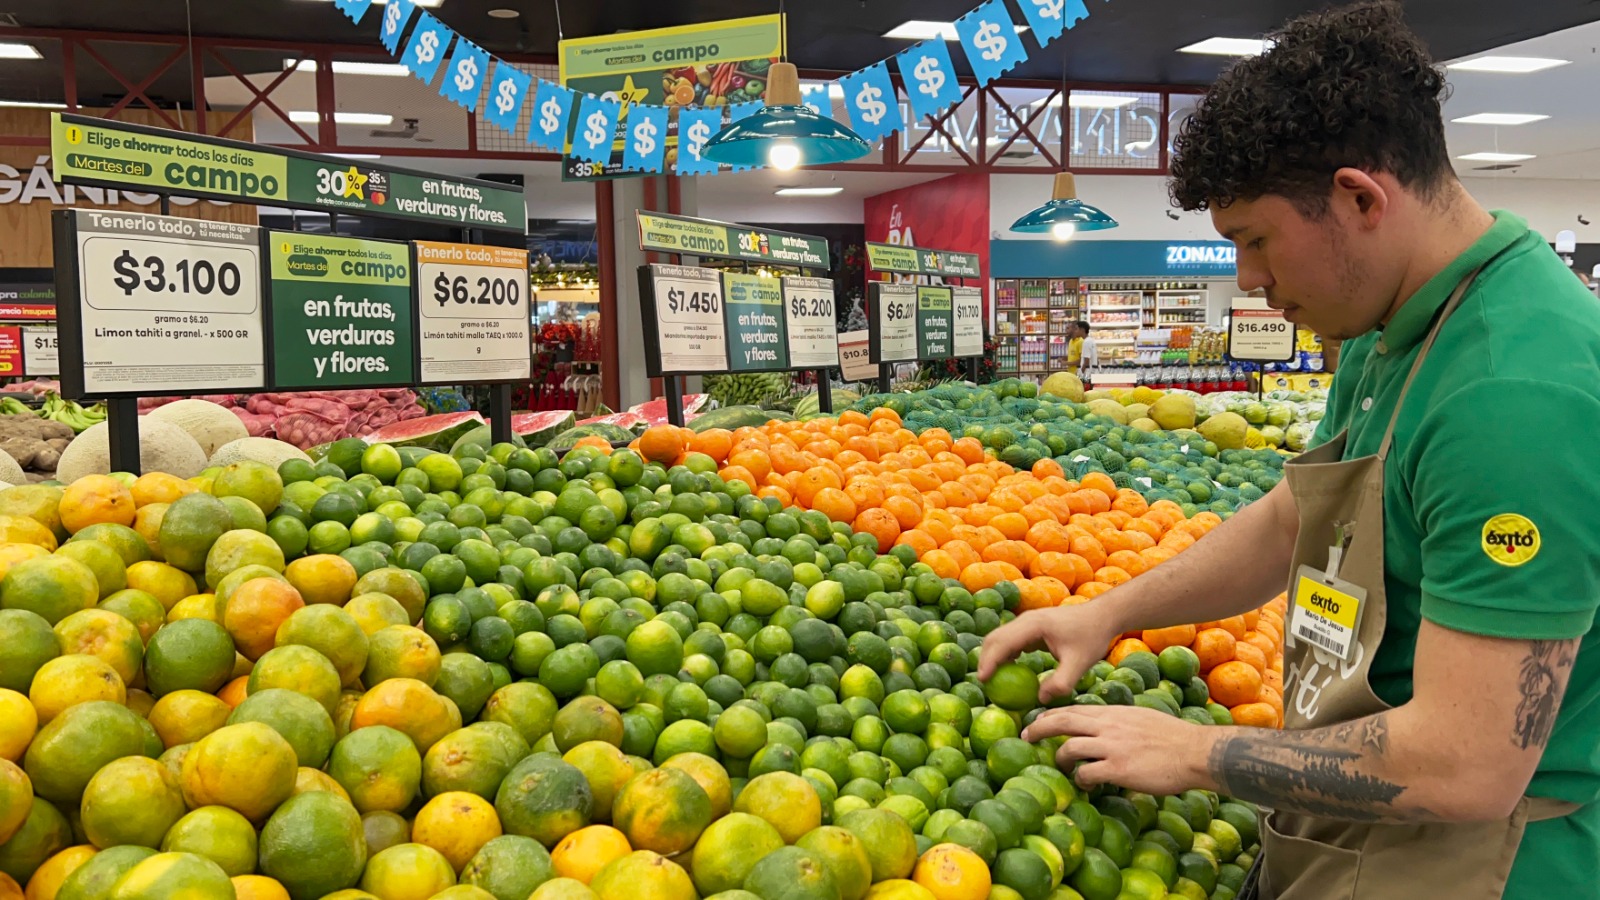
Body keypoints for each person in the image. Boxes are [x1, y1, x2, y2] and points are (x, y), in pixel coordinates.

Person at [978, 3, 1600, 898]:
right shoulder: (1399, 328)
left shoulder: (1512, 397)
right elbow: (1293, 519)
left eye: (1255, 241)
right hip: (1360, 822)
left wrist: (1202, 751)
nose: (1248, 281)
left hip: (1475, 864)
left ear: (1359, 198)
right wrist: (1110, 612)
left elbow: (1470, 766)